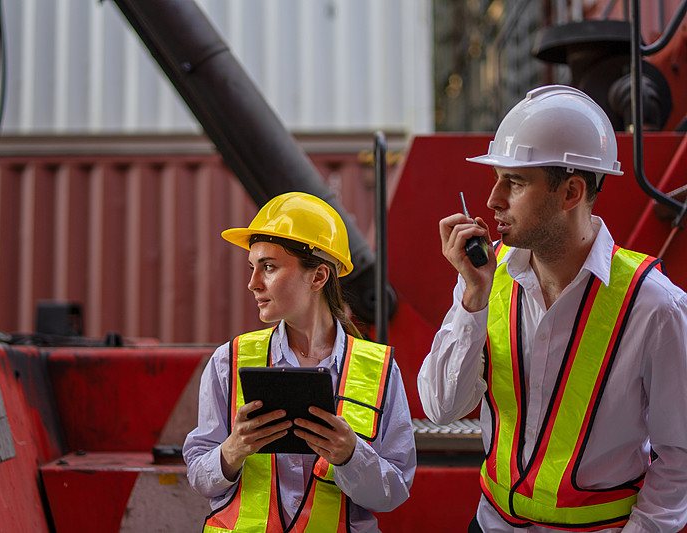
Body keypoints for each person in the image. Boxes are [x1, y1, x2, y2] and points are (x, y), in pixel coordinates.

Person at [418, 85, 687, 533]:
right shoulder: (485, 282)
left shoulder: (656, 307)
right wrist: (471, 300)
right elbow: (442, 408)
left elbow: (679, 456)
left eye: (515, 182)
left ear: (571, 192)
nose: (492, 200)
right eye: (497, 178)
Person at [184, 191, 416, 532]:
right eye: (252, 267)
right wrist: (233, 449)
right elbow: (199, 477)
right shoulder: (228, 362)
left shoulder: (377, 370)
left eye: (269, 267)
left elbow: (394, 492)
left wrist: (352, 455)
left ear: (318, 277)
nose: (252, 283)